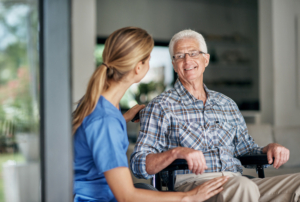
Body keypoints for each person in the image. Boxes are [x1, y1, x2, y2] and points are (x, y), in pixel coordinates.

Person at [130, 29, 300, 202]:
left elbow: (246, 149)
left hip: (236, 180)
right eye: (179, 56)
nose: (187, 60)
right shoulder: (160, 106)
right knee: (243, 186)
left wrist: (269, 148)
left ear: (206, 59)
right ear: (174, 64)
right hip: (192, 186)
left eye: (193, 53)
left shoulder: (227, 104)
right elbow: (138, 164)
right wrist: (175, 152)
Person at [73, 27, 229, 202]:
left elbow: (93, 131)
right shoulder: (106, 120)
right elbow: (126, 196)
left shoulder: (99, 105)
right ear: (139, 67)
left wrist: (123, 117)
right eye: (149, 59)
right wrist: (188, 196)